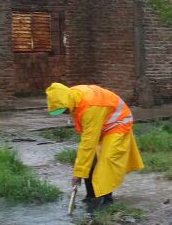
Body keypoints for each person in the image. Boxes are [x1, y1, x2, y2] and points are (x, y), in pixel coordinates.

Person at [45, 82, 144, 211]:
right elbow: (88, 140)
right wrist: (81, 169)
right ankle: (91, 195)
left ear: (67, 101)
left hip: (117, 123)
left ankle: (105, 198)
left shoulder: (90, 106)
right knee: (92, 161)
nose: (66, 113)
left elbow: (88, 143)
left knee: (106, 161)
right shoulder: (72, 96)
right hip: (102, 123)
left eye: (65, 110)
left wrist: (78, 173)